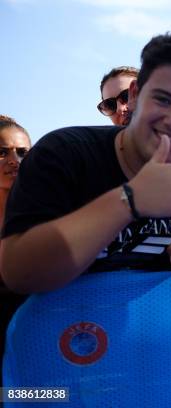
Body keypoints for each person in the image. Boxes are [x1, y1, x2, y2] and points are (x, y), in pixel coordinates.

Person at [1, 32, 171, 293]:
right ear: (134, 96)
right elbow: (17, 271)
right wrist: (129, 200)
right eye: (163, 99)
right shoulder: (63, 154)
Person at [0, 115, 31, 386]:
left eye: (22, 152)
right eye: (2, 152)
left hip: (38, 342)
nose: (13, 161)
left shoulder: (52, 214)